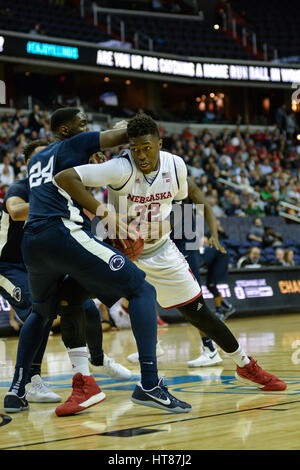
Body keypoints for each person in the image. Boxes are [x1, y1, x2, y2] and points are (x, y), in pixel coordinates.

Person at [57, 113, 286, 394]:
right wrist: (106, 214)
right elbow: (66, 177)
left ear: (159, 143)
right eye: (136, 149)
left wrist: (166, 224)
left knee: (200, 313)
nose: (141, 155)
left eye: (147, 148)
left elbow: (183, 203)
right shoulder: (119, 168)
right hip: (120, 250)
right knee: (70, 296)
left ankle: (244, 364)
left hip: (161, 250)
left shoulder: (176, 165)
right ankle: (71, 376)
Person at [4, 108, 191, 416]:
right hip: (61, 233)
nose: (87, 127)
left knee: (54, 306)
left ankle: (22, 388)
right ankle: (149, 384)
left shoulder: (38, 160)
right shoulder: (71, 144)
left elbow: (62, 185)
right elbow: (124, 133)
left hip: (33, 244)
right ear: (65, 131)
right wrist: (134, 124)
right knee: (143, 291)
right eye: (82, 124)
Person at [1, 139, 131, 407]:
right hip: (9, 266)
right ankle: (29, 381)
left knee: (87, 308)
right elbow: (15, 212)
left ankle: (98, 360)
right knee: (43, 312)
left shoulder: (62, 190)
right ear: (29, 164)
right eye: (40, 157)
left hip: (42, 262)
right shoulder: (21, 187)